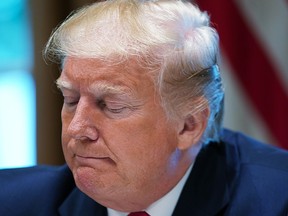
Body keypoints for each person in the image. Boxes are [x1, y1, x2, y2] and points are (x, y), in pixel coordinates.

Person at [1, 0, 288, 215]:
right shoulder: (13, 202)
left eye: (110, 105)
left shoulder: (276, 200)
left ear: (189, 125)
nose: (77, 129)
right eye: (71, 99)